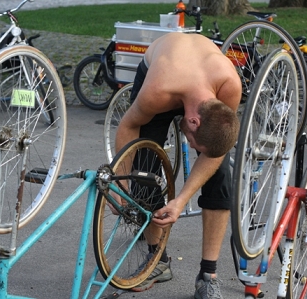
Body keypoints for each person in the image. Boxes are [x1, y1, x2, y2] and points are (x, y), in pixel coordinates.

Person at [115, 32, 241, 299]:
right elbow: (128, 127)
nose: (193, 150)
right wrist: (122, 183)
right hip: (160, 68)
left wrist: (181, 200)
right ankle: (157, 260)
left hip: (202, 71)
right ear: (193, 122)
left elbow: (216, 151)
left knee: (219, 177)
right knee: (144, 173)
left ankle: (209, 275)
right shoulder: (157, 91)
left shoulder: (229, 86)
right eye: (196, 145)